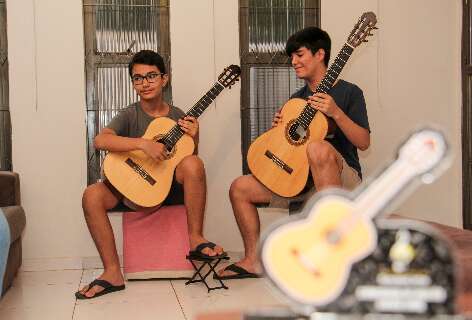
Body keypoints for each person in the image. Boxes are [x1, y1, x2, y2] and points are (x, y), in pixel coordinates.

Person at [216, 27, 370, 280]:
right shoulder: (296, 100)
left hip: (342, 180)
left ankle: (333, 252)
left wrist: (336, 113)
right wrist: (279, 131)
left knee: (317, 148)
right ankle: (253, 260)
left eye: (299, 54)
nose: (293, 62)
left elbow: (363, 142)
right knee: (239, 187)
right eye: (292, 57)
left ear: (320, 54)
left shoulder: (348, 92)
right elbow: (290, 149)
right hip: (302, 180)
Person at [76, 50, 225, 299]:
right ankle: (112, 272)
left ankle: (196, 239)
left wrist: (195, 135)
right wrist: (143, 144)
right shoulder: (130, 114)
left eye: (151, 76)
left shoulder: (178, 116)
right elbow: (101, 140)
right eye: (138, 78)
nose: (144, 83)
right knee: (91, 195)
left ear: (164, 79)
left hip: (164, 189)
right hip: (131, 188)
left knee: (194, 163)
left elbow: (188, 160)